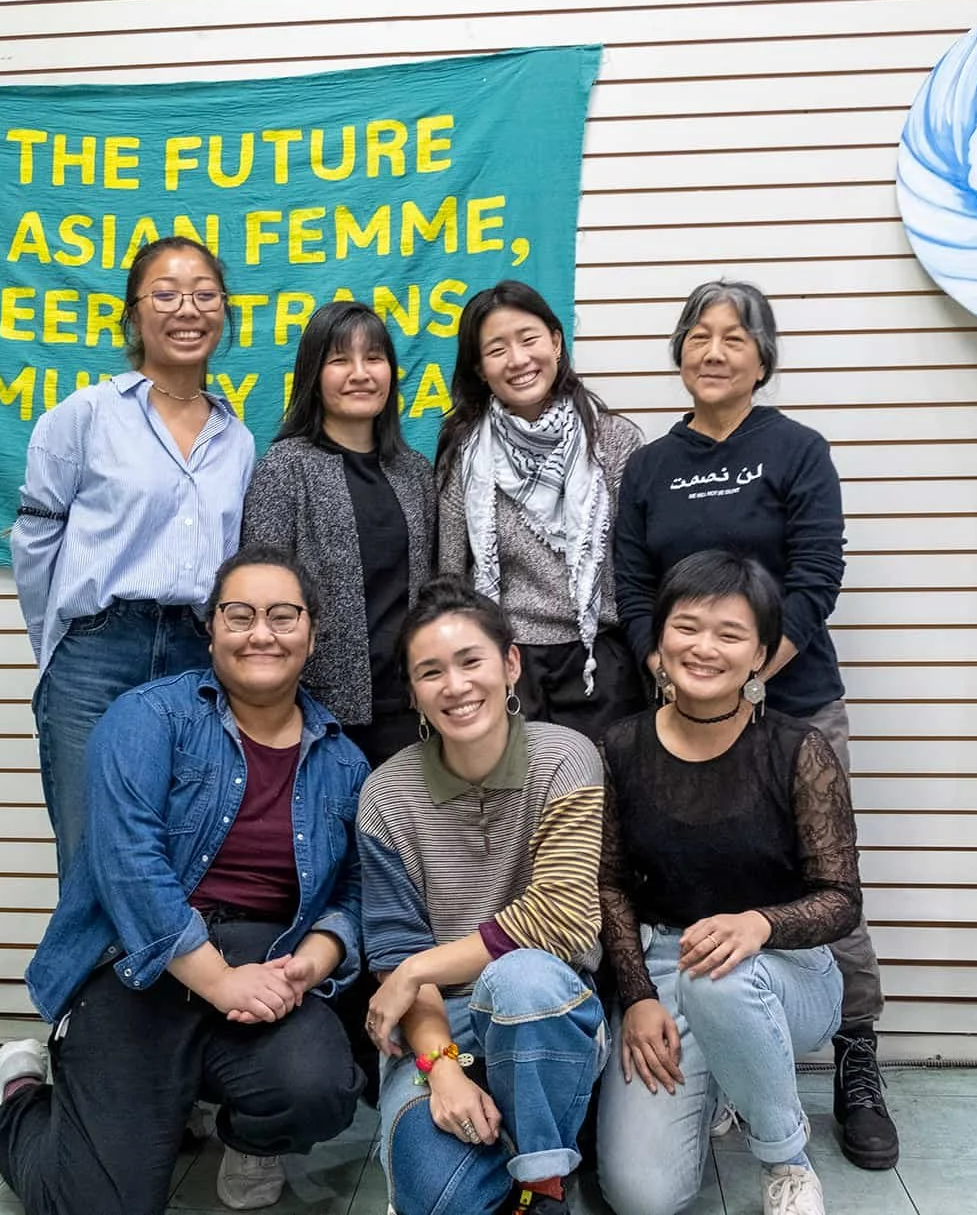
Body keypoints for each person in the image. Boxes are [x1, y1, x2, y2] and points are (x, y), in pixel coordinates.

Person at [611, 279, 897, 1168]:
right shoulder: (650, 463)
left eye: (734, 336)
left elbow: (816, 573)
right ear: (678, 352)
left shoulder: (797, 449)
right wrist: (671, 668)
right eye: (697, 334)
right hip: (680, 702)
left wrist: (748, 674)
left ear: (762, 356)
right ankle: (720, 1062)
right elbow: (627, 584)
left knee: (821, 884)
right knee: (689, 874)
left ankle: (854, 1054)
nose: (713, 349)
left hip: (795, 697)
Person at [0, 546, 367, 1215]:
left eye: (283, 616)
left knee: (320, 1089)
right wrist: (219, 980)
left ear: (311, 632)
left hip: (265, 962)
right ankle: (23, 1092)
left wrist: (314, 959)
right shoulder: (147, 717)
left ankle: (248, 1135)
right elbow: (126, 863)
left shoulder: (343, 761)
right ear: (211, 628)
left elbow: (352, 895)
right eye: (239, 614)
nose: (261, 633)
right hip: (136, 967)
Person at [595, 552, 859, 1215]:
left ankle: (784, 1161)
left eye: (729, 633)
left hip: (783, 971)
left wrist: (760, 923)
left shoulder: (798, 750)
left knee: (721, 978)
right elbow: (611, 885)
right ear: (658, 639)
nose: (703, 647)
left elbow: (841, 900)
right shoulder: (620, 747)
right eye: (686, 626)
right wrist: (638, 997)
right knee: (641, 1197)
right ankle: (718, 1079)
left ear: (760, 655)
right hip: (664, 967)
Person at [359, 575, 607, 1215]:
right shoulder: (385, 796)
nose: (456, 686)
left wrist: (417, 970)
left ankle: (543, 1185)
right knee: (441, 1198)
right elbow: (395, 953)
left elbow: (563, 919)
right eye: (430, 672)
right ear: (413, 692)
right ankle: (517, 1152)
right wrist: (441, 1068)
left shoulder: (567, 758)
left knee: (522, 978)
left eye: (471, 661)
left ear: (511, 664)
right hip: (439, 1028)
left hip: (548, 1014)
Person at [10, 235, 253, 878]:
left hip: (196, 663)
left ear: (224, 311)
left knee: (180, 858)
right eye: (166, 294)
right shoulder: (85, 416)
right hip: (95, 656)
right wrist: (57, 643)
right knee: (93, 857)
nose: (188, 310)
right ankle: (84, 984)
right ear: (133, 314)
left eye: (205, 295)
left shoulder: (239, 438)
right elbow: (35, 540)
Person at [435, 280, 646, 743]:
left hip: (600, 660)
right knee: (513, 809)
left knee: (598, 806)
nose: (517, 360)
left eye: (529, 339)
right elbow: (451, 572)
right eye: (497, 349)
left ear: (555, 340)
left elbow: (638, 565)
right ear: (479, 367)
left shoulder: (613, 441)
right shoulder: (464, 451)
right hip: (505, 663)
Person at [241, 301, 437, 769]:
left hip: (411, 707)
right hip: (315, 712)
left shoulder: (415, 472)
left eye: (373, 358)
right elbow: (261, 596)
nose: (360, 373)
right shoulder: (286, 467)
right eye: (339, 360)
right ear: (313, 374)